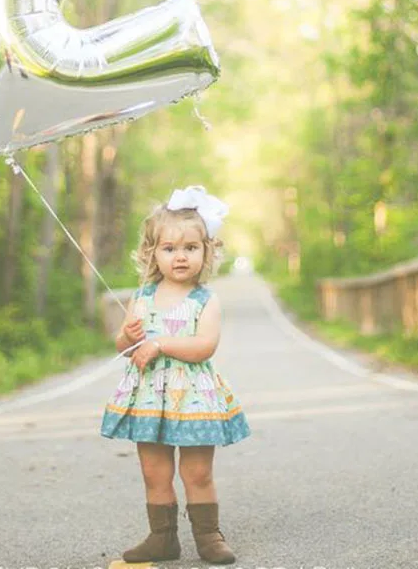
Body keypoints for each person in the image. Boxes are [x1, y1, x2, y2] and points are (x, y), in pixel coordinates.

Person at [100, 185, 251, 564]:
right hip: (149, 398)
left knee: (197, 472)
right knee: (154, 471)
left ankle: (208, 536)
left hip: (193, 398)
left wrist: (160, 343)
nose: (180, 256)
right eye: (169, 248)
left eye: (190, 248)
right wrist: (128, 336)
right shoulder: (142, 297)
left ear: (207, 251)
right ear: (152, 252)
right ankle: (162, 537)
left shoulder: (205, 300)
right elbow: (125, 346)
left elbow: (204, 346)